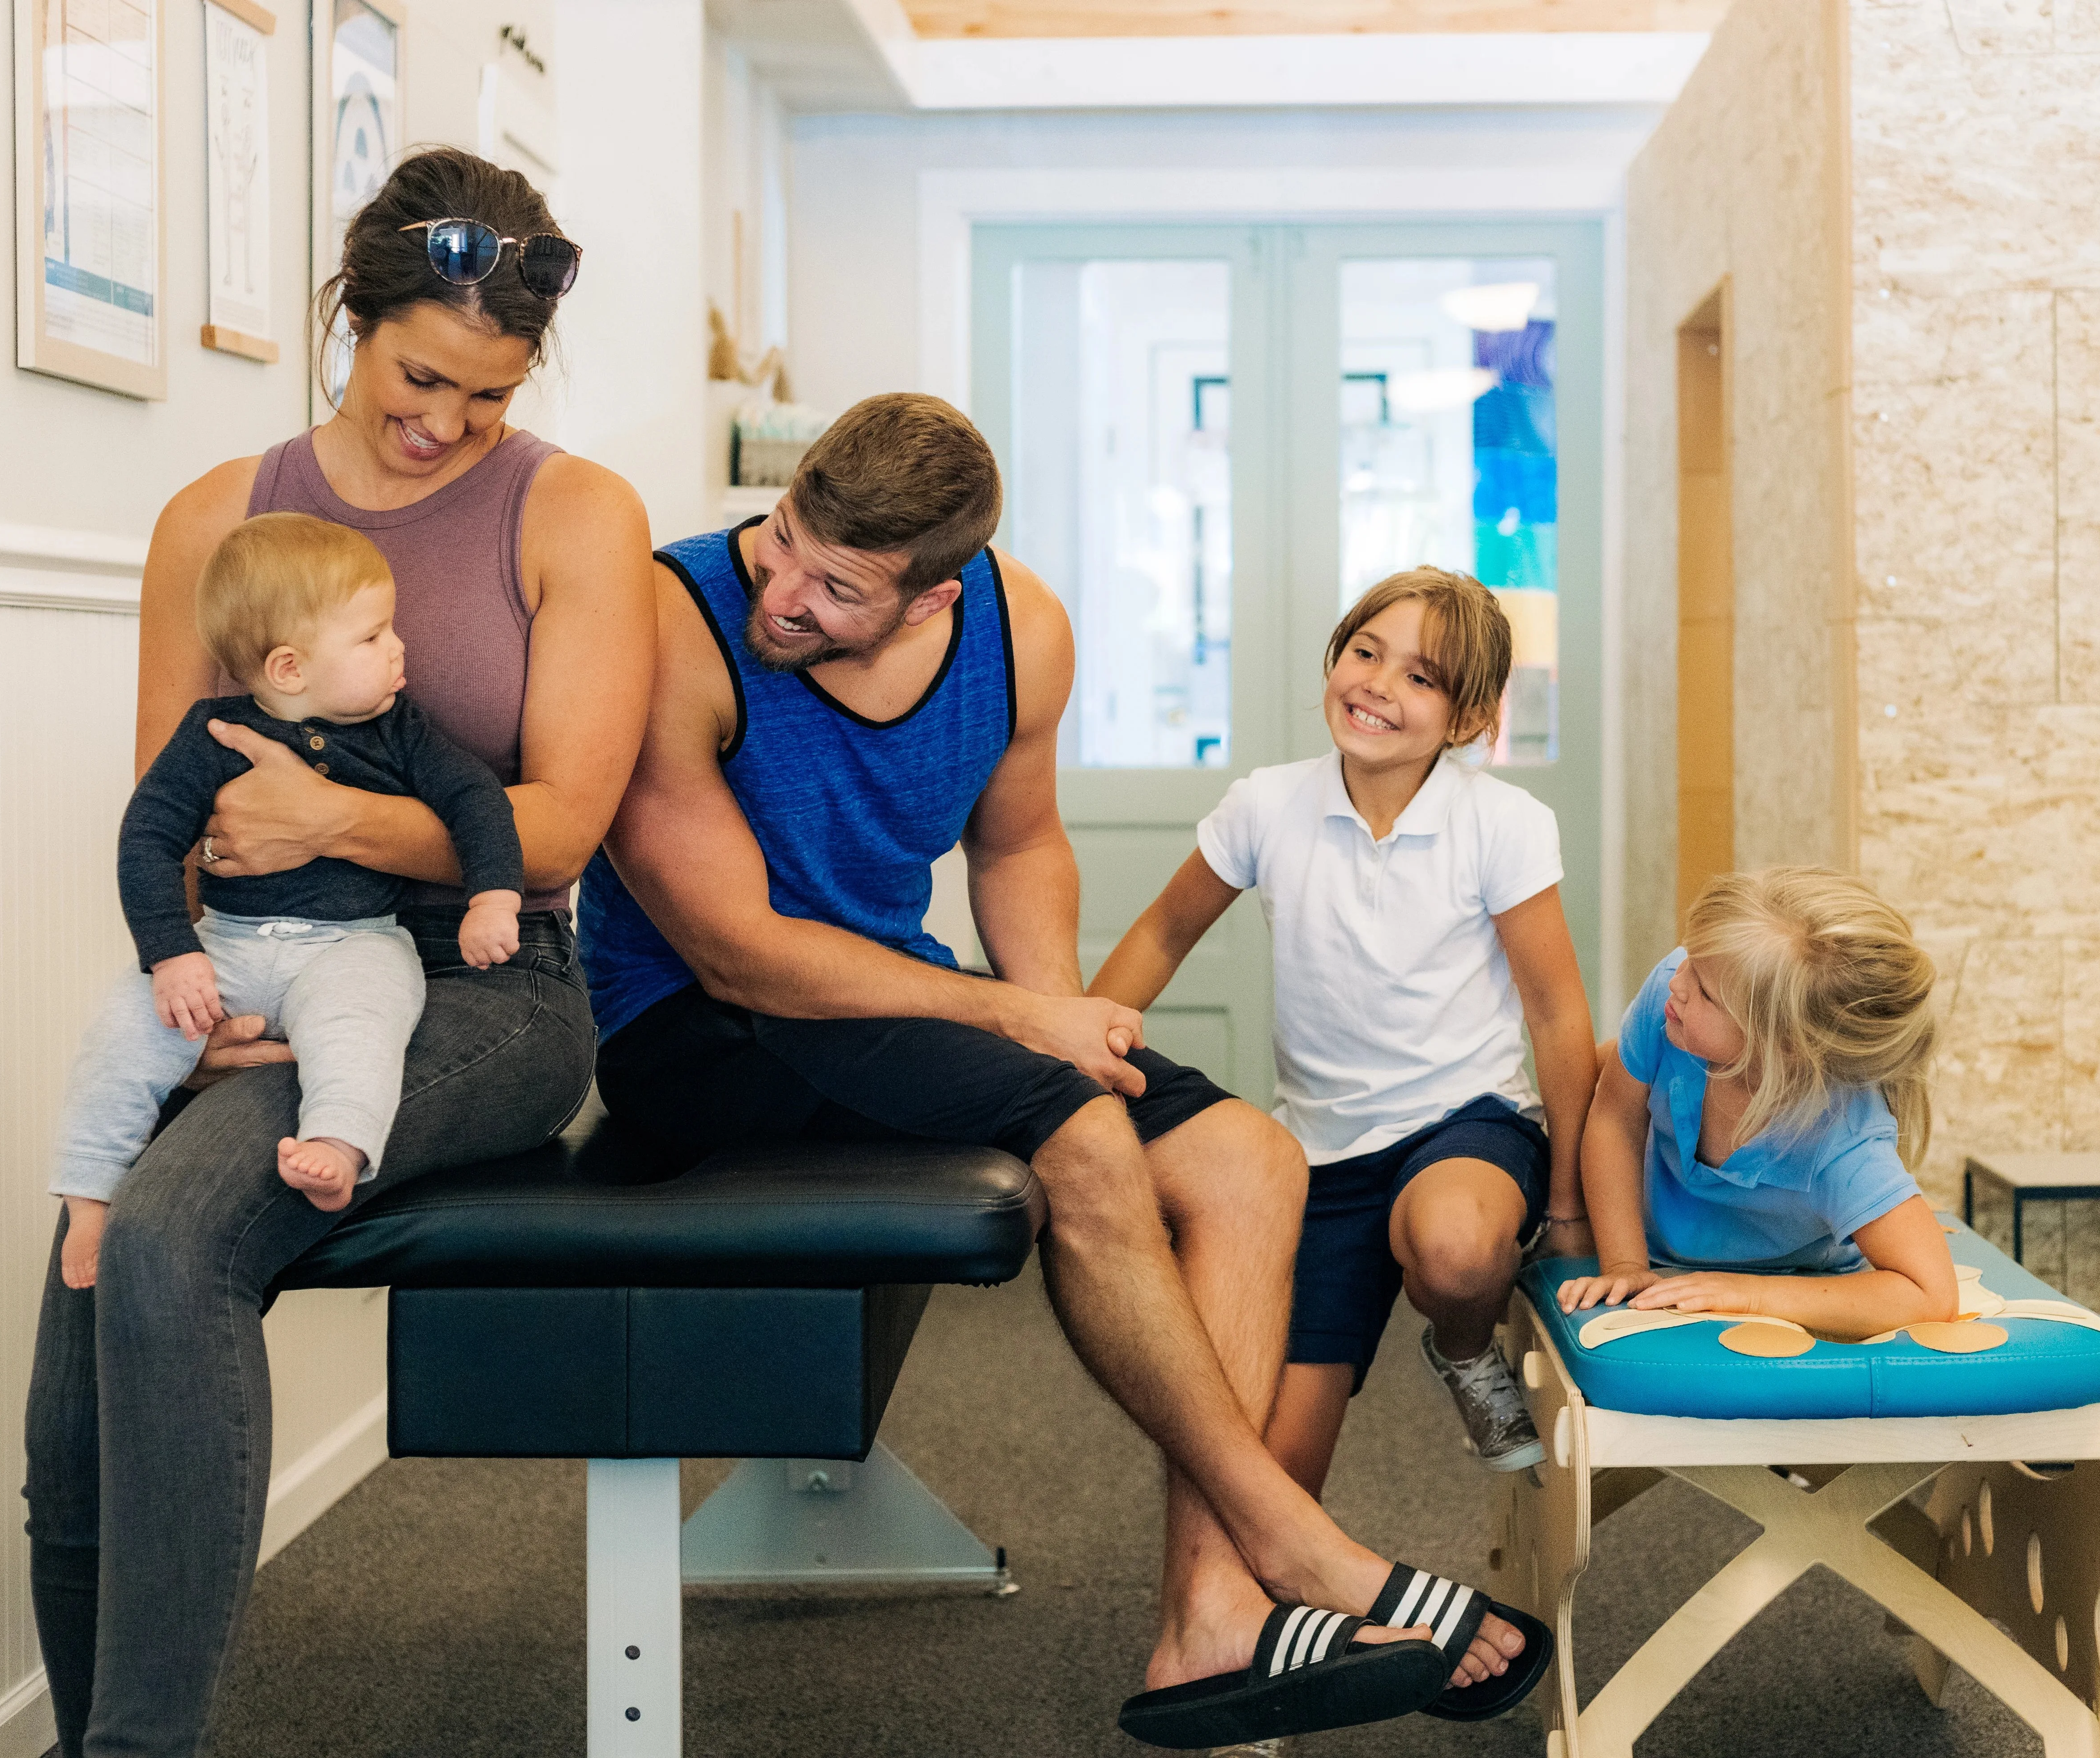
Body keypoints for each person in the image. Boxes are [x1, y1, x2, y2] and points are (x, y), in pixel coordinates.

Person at [586, 394, 1545, 1749]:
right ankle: (1298, 1546)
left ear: (933, 598)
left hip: (882, 996)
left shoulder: (1018, 630)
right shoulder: (674, 622)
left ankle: (1205, 1616)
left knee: (1249, 1159)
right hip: (691, 1026)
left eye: (835, 588)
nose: (782, 592)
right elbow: (738, 954)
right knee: (1085, 1143)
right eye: (785, 540)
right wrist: (1018, 1029)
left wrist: (1046, 1009)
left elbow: (1019, 846)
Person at [22, 146, 653, 1758]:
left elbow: (565, 821)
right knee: (86, 1318)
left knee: (168, 1235)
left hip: (487, 981)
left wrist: (330, 820)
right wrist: (209, 978)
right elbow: (180, 810)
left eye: (489, 395)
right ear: (350, 318)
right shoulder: (215, 520)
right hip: (253, 953)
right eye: (419, 374)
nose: (447, 420)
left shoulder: (576, 511)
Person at [1091, 569, 1597, 1506]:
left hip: (1466, 1125)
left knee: (1453, 1250)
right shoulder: (1266, 805)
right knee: (1273, 1479)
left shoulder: (1504, 825)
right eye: (1366, 653)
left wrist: (1565, 1206)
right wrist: (1074, 1050)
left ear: (1467, 718)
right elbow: (1163, 932)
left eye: (1420, 677)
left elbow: (1558, 1013)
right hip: (1316, 1155)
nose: (1377, 684)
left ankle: (1460, 1346)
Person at [49, 513, 528, 1289]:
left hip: (354, 943)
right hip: (229, 943)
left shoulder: (399, 731)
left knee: (361, 1026)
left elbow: (477, 801)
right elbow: (146, 840)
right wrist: (171, 955)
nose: (399, 647)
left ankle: (337, 1148)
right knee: (123, 1032)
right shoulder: (212, 735)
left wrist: (493, 900)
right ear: (289, 668)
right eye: (372, 637)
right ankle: (89, 1195)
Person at [1555, 866, 1960, 1340]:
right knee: (1602, 1063)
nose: (1676, 982)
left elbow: (1931, 1292)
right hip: (1658, 1241)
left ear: (1783, 1045)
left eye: (1704, 990)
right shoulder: (1673, 1000)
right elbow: (1614, 1119)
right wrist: (1624, 1262)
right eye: (1689, 958)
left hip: (1792, 1268)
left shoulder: (1842, 1140)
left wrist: (1750, 1293)